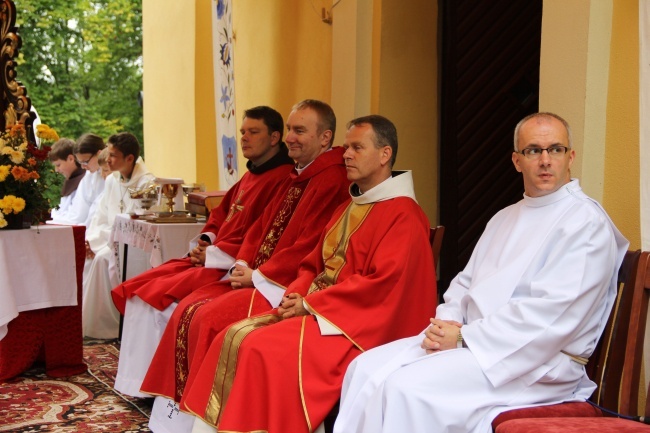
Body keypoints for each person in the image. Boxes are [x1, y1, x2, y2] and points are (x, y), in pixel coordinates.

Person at [331, 112, 629, 433]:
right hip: (474, 344)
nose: (545, 160)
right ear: (517, 161)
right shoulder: (505, 217)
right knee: (362, 369)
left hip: (533, 363)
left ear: (570, 157)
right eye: (533, 150)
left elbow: (552, 316)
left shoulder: (585, 223)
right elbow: (465, 283)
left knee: (406, 388)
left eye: (555, 149)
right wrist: (446, 323)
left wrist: (463, 338)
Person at [178, 114, 438, 433]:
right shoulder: (352, 205)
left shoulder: (404, 215)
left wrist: (312, 305)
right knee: (231, 336)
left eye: (357, 147)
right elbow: (313, 263)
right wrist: (298, 292)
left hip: (356, 329)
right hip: (322, 313)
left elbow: (382, 288)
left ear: (385, 155)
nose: (346, 154)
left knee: (261, 349)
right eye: (347, 147)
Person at [140, 99, 351, 433]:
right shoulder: (296, 176)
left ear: (325, 138)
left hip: (284, 285)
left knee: (209, 319)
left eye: (300, 130)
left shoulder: (331, 180)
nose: (290, 138)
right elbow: (260, 229)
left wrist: (259, 275)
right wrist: (242, 261)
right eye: (291, 130)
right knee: (189, 310)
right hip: (259, 276)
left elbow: (312, 245)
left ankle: (214, 422)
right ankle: (174, 423)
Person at [111, 106, 295, 397]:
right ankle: (136, 384)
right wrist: (207, 240)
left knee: (156, 300)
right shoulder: (251, 175)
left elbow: (261, 236)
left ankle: (151, 388)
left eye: (253, 132)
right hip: (216, 257)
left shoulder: (283, 179)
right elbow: (222, 214)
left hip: (232, 266)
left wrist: (213, 254)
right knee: (141, 290)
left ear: (274, 137)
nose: (244, 138)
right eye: (242, 131)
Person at [83, 132, 155, 339]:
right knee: (90, 258)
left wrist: (100, 244)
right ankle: (94, 325)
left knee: (100, 260)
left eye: (113, 155)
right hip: (110, 239)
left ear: (130, 158)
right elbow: (101, 215)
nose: (108, 159)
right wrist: (91, 241)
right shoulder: (112, 180)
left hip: (133, 244)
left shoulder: (147, 184)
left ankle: (108, 327)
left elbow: (138, 225)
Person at [48, 133, 106, 226]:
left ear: (99, 154)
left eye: (85, 162)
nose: (83, 166)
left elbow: (79, 216)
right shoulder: (88, 176)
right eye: (80, 162)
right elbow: (78, 212)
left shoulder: (113, 175)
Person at [48, 138, 86, 223]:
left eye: (58, 165)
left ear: (71, 159)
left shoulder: (85, 181)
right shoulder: (72, 179)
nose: (56, 170)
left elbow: (76, 216)